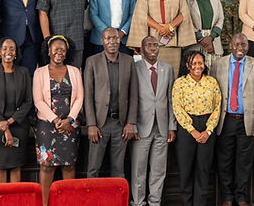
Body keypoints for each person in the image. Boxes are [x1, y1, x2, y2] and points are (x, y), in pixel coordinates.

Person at [212, 33, 254, 206]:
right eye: (236, 44)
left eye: (243, 44)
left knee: (244, 161)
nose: (240, 48)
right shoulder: (218, 64)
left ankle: (241, 196)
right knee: (224, 160)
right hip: (225, 120)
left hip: (247, 121)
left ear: (248, 46)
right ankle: (227, 197)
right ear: (230, 45)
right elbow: (212, 93)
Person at [33, 35, 84, 205]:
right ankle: (44, 203)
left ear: (67, 52)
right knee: (47, 165)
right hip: (46, 126)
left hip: (70, 126)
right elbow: (38, 100)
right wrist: (56, 120)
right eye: (55, 49)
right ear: (48, 51)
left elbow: (79, 98)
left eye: (63, 49)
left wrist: (69, 119)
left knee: (69, 165)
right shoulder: (39, 72)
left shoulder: (74, 71)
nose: (59, 52)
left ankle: (68, 202)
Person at [84, 27, 138, 179]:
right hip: (99, 124)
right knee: (93, 169)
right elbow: (88, 96)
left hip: (121, 124)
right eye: (108, 38)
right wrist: (91, 124)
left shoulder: (129, 61)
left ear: (120, 40)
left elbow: (134, 94)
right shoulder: (92, 61)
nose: (112, 41)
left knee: (118, 170)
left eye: (115, 38)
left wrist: (131, 122)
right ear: (102, 41)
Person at [130, 35, 177, 206]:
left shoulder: (168, 69)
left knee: (159, 170)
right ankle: (138, 202)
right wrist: (132, 125)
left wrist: (172, 126)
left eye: (155, 45)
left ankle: (155, 202)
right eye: (148, 45)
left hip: (162, 127)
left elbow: (171, 99)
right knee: (139, 169)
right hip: (141, 127)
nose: (152, 48)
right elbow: (131, 98)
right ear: (142, 49)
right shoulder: (134, 68)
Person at [127, 0, 197, 76]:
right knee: (151, 76)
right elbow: (141, 15)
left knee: (171, 75)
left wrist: (169, 27)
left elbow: (184, 14)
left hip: (172, 42)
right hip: (151, 43)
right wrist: (160, 28)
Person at [172, 50, 221, 206]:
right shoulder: (180, 83)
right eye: (194, 63)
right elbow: (177, 108)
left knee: (203, 169)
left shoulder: (212, 82)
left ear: (204, 64)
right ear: (188, 65)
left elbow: (218, 107)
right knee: (186, 169)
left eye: (200, 63)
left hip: (207, 127)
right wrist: (192, 130)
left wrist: (208, 130)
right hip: (186, 128)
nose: (197, 66)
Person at [0, 38, 33, 183]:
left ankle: (15, 197)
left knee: (16, 167)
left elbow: (28, 101)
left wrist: (10, 122)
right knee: (0, 167)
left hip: (18, 125)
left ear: (16, 53)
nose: (8, 52)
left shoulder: (24, 72)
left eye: (12, 48)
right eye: (5, 48)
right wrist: (4, 126)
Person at [188, 0, 224, 66]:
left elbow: (220, 19)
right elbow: (188, 22)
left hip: (214, 40)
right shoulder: (188, 2)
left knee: (214, 69)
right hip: (196, 41)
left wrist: (211, 38)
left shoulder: (216, 0)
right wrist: (201, 38)